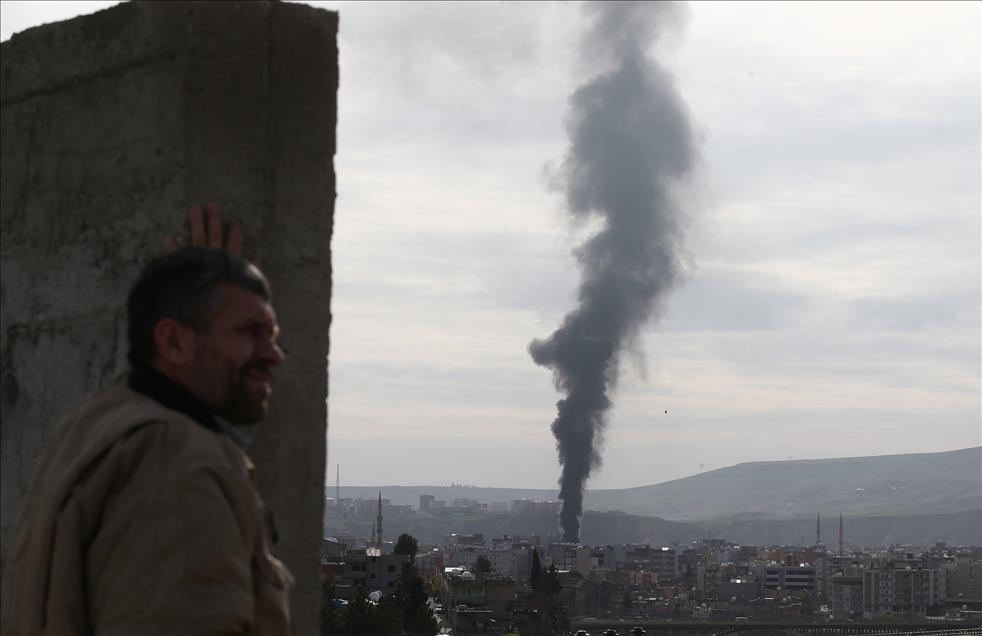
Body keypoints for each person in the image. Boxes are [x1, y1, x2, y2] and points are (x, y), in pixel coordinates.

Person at [2, 207, 294, 635]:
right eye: (250, 331)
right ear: (173, 341)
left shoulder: (95, 425)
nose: (274, 355)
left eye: (273, 335)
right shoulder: (176, 462)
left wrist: (204, 285)